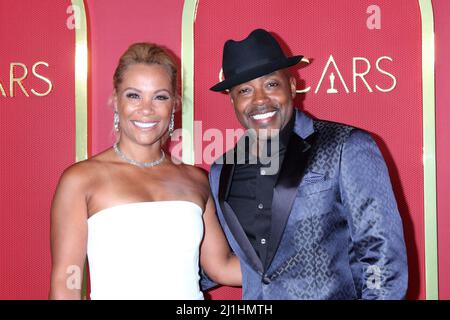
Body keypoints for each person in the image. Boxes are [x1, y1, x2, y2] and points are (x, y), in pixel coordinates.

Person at [205, 28, 407, 299]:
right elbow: (229, 263)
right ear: (232, 100)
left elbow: (381, 255)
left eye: (271, 84)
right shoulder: (222, 170)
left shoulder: (345, 145)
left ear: (291, 85)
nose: (260, 100)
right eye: (245, 90)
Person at [49, 43, 241, 300]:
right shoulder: (81, 180)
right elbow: (67, 282)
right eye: (134, 95)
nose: (147, 109)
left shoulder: (196, 180)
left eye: (160, 97)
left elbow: (222, 267)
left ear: (174, 104)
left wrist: (300, 262)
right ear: (115, 100)